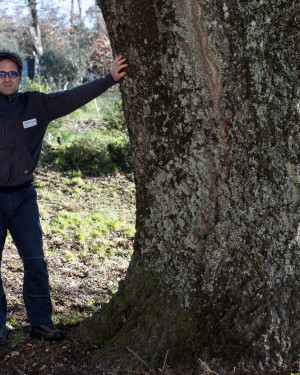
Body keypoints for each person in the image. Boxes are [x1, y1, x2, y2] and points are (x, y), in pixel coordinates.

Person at [0, 51, 127, 344]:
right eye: (1, 74)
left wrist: (108, 79)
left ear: (20, 77)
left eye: (12, 74)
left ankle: (41, 322)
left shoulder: (36, 105)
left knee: (35, 262)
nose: (7, 79)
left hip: (23, 197)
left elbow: (72, 97)